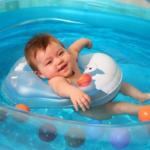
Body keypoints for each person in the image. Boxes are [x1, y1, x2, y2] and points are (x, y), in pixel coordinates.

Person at [24, 33, 150, 120]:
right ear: (40, 74)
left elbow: (74, 48)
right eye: (49, 62)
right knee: (118, 107)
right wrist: (73, 92)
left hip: (100, 92)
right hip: (92, 108)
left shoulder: (70, 58)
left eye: (60, 53)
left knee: (121, 84)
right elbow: (60, 88)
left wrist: (85, 41)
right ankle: (142, 110)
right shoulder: (56, 79)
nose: (58, 61)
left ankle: (141, 96)